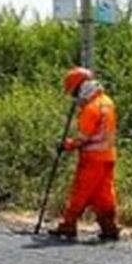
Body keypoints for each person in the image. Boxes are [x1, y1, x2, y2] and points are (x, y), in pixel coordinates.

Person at [52, 66, 119, 241]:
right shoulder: (107, 102)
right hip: (108, 156)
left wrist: (66, 145)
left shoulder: (91, 108)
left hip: (92, 158)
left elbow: (83, 138)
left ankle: (68, 225)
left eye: (74, 92)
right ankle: (109, 228)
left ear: (80, 87)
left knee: (80, 192)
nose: (74, 97)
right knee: (104, 194)